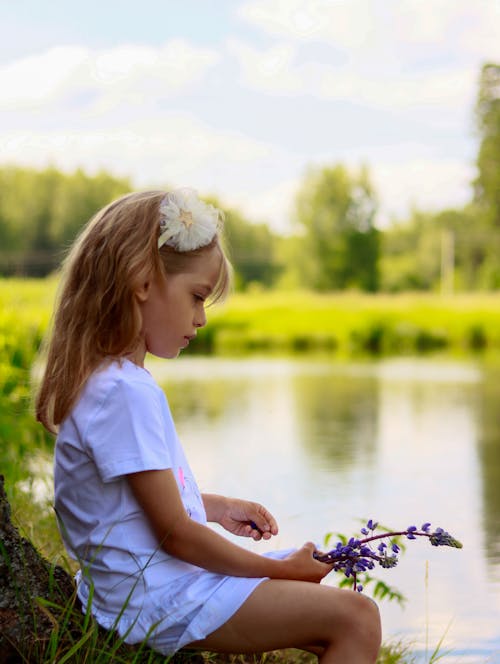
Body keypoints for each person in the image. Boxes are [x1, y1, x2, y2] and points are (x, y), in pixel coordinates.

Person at [36, 189, 381, 662]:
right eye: (197, 297)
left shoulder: (111, 382)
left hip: (142, 589)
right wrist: (274, 571)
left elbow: (130, 503)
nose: (200, 320)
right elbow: (174, 533)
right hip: (153, 597)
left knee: (328, 593)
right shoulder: (123, 393)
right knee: (356, 617)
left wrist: (214, 507)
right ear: (142, 282)